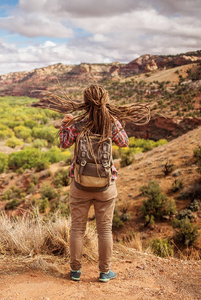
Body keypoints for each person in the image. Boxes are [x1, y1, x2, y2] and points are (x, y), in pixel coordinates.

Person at [57, 84, 146, 283]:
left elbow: (63, 143)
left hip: (79, 184)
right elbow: (124, 142)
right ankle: (105, 272)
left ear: (85, 102)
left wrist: (65, 124)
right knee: (104, 230)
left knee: (77, 228)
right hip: (105, 185)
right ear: (104, 100)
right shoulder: (111, 122)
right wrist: (116, 123)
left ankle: (75, 272)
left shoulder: (78, 123)